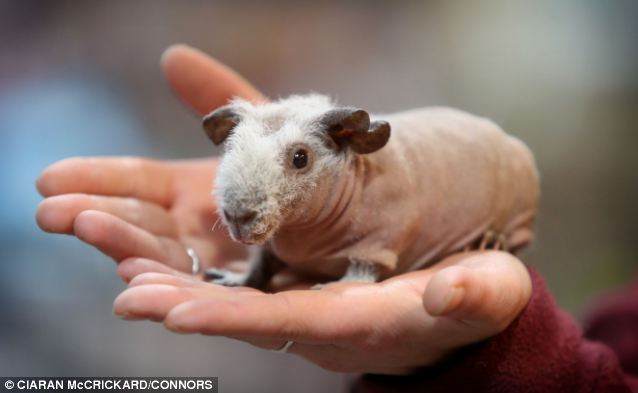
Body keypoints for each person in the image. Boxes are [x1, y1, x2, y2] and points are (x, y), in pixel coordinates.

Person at [36, 45, 637, 392]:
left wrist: (357, 280)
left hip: (497, 172)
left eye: (300, 160)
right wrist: (254, 269)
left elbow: (380, 231)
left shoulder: (374, 187)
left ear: (346, 144)